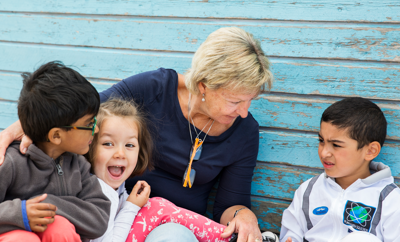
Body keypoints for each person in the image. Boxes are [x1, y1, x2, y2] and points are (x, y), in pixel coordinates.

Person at [0, 27, 274, 242]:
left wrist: (243, 216)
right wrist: (23, 125)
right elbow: (79, 115)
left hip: (174, 226)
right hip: (116, 212)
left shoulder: (245, 131)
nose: (244, 112)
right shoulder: (153, 89)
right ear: (203, 86)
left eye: (251, 100)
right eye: (235, 101)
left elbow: (228, 205)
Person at [86, 97, 238, 242]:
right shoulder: (99, 194)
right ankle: (230, 238)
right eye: (108, 144)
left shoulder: (114, 189)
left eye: (129, 145)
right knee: (156, 207)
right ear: (89, 146)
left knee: (156, 208)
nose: (120, 154)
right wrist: (131, 206)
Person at [0, 61, 111, 241]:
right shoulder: (10, 162)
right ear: (57, 136)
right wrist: (19, 213)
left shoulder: (79, 165)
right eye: (89, 124)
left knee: (59, 227)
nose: (96, 130)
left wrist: (48, 205)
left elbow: (99, 219)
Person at [280, 97, 400, 242]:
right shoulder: (308, 190)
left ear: (370, 151)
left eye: (336, 145)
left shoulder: (390, 201)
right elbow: (290, 234)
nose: (324, 153)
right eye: (321, 141)